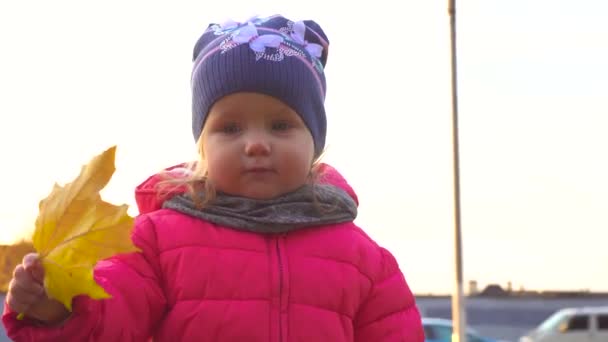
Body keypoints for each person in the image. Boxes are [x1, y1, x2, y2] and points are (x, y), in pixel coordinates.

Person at [3, 14, 424, 341]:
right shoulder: (157, 243)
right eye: (230, 128)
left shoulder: (365, 261)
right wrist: (57, 307)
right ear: (201, 147)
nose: (256, 144)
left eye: (280, 126)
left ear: (315, 142)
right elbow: (112, 320)